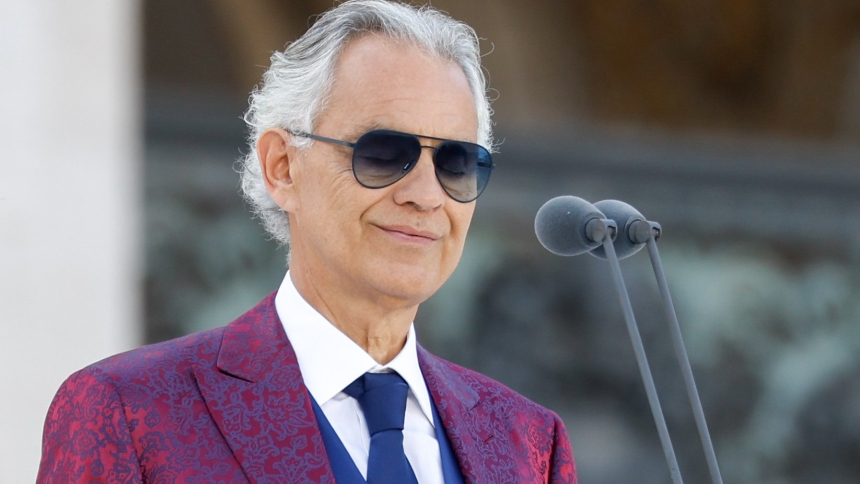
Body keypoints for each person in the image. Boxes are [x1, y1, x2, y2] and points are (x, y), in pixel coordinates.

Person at [37, 1, 577, 482]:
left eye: (456, 163)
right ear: (283, 166)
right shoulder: (128, 411)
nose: (426, 195)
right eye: (384, 153)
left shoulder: (529, 443)